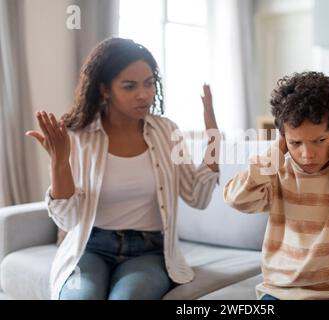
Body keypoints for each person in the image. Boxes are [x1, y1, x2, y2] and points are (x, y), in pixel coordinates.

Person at [26, 37, 220, 300]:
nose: (144, 94)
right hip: (89, 247)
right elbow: (68, 220)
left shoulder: (166, 131)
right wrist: (59, 163)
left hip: (148, 251)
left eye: (149, 84)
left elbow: (197, 197)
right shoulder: (80, 136)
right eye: (129, 86)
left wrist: (213, 136)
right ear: (105, 89)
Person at [223, 71, 329, 300]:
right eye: (295, 143)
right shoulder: (276, 174)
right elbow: (236, 198)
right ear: (283, 137)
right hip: (280, 293)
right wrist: (276, 152)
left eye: (320, 141)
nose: (307, 154)